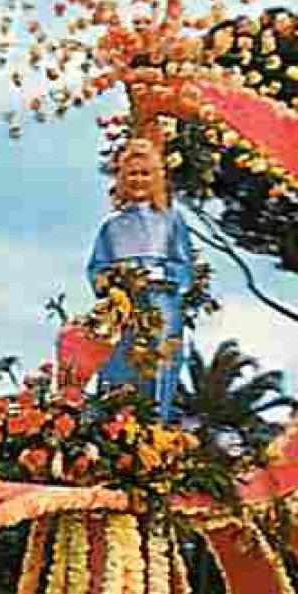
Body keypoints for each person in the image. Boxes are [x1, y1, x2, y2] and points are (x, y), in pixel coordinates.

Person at [86, 136, 196, 422]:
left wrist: (155, 275)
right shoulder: (111, 226)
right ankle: (117, 429)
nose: (138, 180)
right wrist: (114, 281)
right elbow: (95, 269)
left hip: (162, 306)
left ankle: (157, 427)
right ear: (122, 178)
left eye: (145, 173)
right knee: (119, 374)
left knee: (159, 370)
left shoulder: (172, 221)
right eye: (132, 173)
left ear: (156, 178)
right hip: (122, 310)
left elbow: (185, 270)